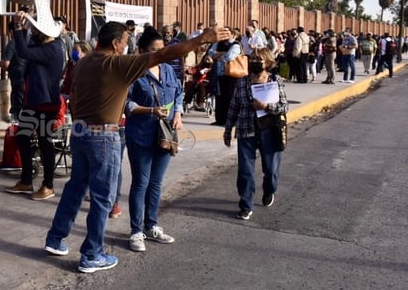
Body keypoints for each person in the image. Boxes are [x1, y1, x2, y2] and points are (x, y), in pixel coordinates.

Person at [43, 21, 230, 273]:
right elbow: (164, 54)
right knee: (103, 197)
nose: (126, 46)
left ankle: (56, 238)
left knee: (76, 187)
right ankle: (91, 254)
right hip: (103, 136)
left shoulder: (85, 61)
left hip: (79, 133)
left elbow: (73, 96)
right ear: (115, 43)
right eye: (124, 42)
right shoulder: (118, 63)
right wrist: (201, 40)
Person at [123, 28, 184, 253]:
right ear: (141, 51)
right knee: (141, 182)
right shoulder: (133, 73)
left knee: (156, 183)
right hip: (140, 135)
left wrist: (178, 113)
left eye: (162, 50)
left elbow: (179, 93)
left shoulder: (168, 70)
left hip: (164, 135)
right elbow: (125, 104)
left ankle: (151, 225)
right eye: (154, 51)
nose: (160, 54)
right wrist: (149, 110)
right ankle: (136, 231)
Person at [5, 9, 65, 201]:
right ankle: (26, 180)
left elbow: (22, 51)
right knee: (22, 137)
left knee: (45, 142)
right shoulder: (41, 45)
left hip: (46, 103)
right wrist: (28, 19)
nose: (33, 31)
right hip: (34, 102)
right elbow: (27, 47)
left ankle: (48, 185)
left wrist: (18, 25)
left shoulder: (53, 48)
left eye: (36, 29)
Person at [224, 48, 288, 220]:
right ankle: (246, 204)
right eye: (251, 58)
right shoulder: (242, 82)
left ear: (267, 62)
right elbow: (233, 107)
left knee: (271, 170)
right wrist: (228, 130)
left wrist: (266, 107)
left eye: (258, 59)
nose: (254, 62)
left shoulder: (275, 81)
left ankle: (269, 190)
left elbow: (284, 106)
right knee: (245, 170)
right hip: (246, 129)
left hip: (269, 130)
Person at [207, 28, 242, 126]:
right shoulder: (218, 43)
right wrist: (221, 54)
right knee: (219, 97)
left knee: (230, 98)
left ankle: (230, 121)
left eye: (227, 33)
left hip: (232, 75)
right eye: (223, 32)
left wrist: (218, 55)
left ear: (232, 34)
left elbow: (230, 57)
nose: (225, 35)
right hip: (219, 74)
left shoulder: (235, 44)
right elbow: (210, 52)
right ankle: (220, 120)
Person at [0, 19, 27, 123]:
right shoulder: (27, 41)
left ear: (11, 31)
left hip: (17, 75)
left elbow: (5, 63)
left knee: (17, 96)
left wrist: (1, 65)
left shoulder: (13, 43)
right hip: (26, 74)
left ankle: (18, 118)